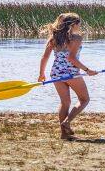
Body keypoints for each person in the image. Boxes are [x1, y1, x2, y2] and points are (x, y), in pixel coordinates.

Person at [39, 12, 98, 140]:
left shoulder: (54, 37)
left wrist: (41, 74)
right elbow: (71, 58)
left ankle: (64, 134)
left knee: (65, 102)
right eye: (79, 23)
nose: (80, 26)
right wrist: (87, 70)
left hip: (55, 73)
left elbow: (44, 57)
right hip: (71, 73)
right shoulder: (76, 38)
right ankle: (67, 122)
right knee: (84, 99)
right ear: (73, 24)